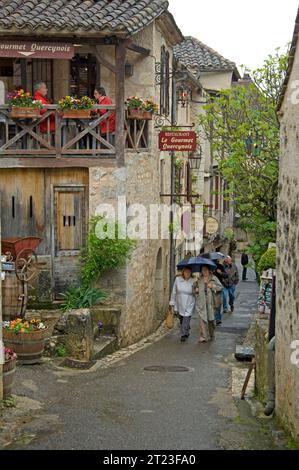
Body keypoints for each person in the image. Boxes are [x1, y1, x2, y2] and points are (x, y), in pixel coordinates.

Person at [193, 265, 223, 343]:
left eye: (206, 270)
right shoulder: (199, 280)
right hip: (201, 303)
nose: (204, 272)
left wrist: (212, 286)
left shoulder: (213, 278)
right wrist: (195, 290)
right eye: (203, 270)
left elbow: (220, 287)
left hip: (211, 303)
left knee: (211, 320)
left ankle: (211, 333)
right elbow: (193, 290)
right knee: (202, 319)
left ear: (209, 270)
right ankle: (203, 336)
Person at [169, 267, 195, 342]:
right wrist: (172, 302)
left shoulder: (193, 281)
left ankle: (183, 334)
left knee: (186, 318)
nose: (187, 273)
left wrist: (196, 290)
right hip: (179, 302)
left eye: (189, 272)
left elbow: (196, 292)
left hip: (189, 302)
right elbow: (174, 291)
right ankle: (186, 330)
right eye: (186, 272)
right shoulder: (178, 280)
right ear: (183, 272)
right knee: (182, 319)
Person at [213, 260, 228, 325]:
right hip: (210, 287)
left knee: (218, 304)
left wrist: (221, 273)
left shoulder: (220, 266)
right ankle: (213, 318)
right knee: (211, 304)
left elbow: (226, 275)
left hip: (219, 287)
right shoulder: (209, 267)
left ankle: (218, 319)